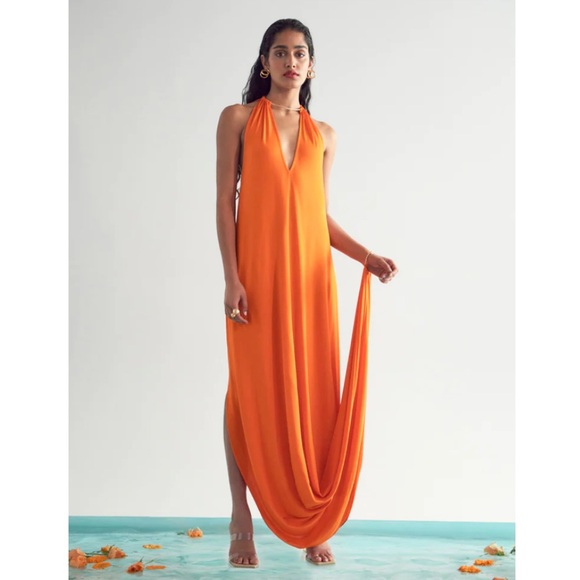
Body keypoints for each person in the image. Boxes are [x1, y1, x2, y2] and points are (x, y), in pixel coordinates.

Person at [215, 18, 398, 569]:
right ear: (264, 62)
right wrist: (231, 276)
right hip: (256, 279)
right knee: (246, 392)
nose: (290, 61)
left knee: (313, 394)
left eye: (299, 53)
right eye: (280, 52)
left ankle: (314, 522)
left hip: (311, 282)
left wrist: (365, 255)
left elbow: (317, 215)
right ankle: (241, 514)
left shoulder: (326, 136)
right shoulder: (238, 119)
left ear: (311, 65)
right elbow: (224, 202)